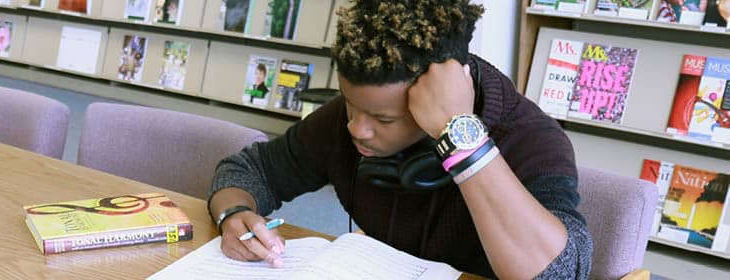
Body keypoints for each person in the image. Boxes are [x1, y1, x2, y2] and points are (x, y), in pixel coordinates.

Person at [208, 0, 593, 278]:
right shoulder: (358, 113)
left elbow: (557, 273)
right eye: (351, 105)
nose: (357, 128)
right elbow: (249, 168)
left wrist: (463, 142)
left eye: (382, 118)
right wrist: (234, 215)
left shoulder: (531, 138)